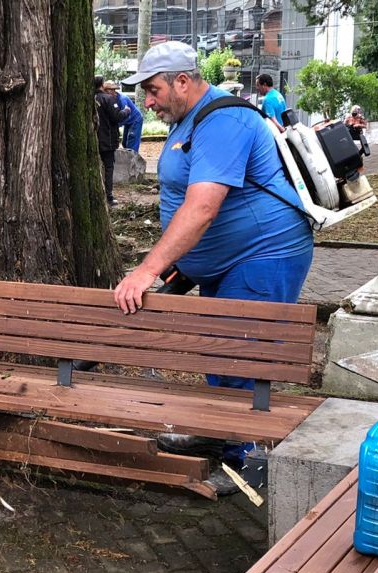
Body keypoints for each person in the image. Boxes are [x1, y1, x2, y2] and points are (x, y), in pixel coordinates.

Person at [115, 42, 313, 473]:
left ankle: (244, 461)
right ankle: (216, 433)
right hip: (223, 260)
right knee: (216, 348)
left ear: (182, 81)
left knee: (241, 353)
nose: (147, 102)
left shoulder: (224, 119)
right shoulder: (188, 118)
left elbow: (203, 207)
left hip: (265, 253)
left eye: (152, 90)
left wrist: (147, 269)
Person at [94, 75, 129, 205]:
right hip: (107, 140)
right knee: (109, 167)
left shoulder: (92, 98)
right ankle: (108, 196)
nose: (115, 92)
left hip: (96, 139)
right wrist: (126, 111)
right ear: (104, 87)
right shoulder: (108, 99)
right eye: (112, 89)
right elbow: (116, 117)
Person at [103, 81, 144, 153]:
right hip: (127, 122)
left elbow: (125, 116)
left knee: (132, 143)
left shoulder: (122, 99)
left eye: (107, 91)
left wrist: (115, 125)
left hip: (135, 119)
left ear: (112, 91)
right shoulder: (111, 99)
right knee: (124, 143)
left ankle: (133, 161)